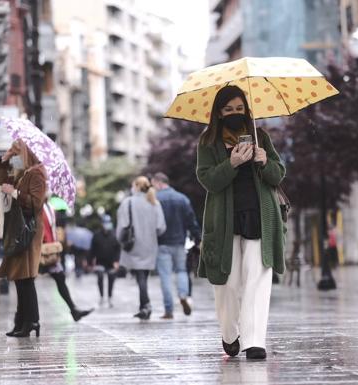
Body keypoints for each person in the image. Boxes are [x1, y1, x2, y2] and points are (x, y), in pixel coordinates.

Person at [196, 85, 286, 360]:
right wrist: (232, 163)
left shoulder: (262, 138)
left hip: (260, 217)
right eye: (228, 110)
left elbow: (278, 174)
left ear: (247, 110)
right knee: (227, 283)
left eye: (239, 108)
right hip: (225, 222)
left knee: (258, 279)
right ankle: (229, 334)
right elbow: (207, 179)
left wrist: (263, 159)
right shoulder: (208, 142)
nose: (235, 114)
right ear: (218, 113)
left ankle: (254, 341)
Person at [0, 139, 46, 338]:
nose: (15, 158)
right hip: (18, 230)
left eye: (17, 154)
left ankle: (31, 321)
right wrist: (5, 159)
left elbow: (36, 204)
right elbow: (1, 179)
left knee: (25, 278)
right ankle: (23, 322)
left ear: (26, 154)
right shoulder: (23, 172)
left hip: (28, 231)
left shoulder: (37, 173)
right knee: (20, 278)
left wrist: (15, 193)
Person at [151, 172, 201, 319]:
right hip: (179, 242)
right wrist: (197, 238)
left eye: (153, 185)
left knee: (165, 276)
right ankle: (183, 295)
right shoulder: (182, 199)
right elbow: (191, 222)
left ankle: (169, 310)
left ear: (159, 183)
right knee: (181, 271)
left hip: (161, 243)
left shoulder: (155, 199)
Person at [116, 176, 166, 320]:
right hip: (150, 245)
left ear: (136, 186)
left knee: (140, 276)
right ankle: (144, 306)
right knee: (142, 275)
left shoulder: (128, 202)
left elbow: (122, 226)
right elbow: (161, 227)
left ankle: (146, 306)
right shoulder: (154, 203)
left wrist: (120, 240)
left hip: (134, 245)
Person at [41, 199, 94, 321]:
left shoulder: (49, 208)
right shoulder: (38, 206)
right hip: (41, 249)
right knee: (26, 283)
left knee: (60, 277)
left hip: (51, 250)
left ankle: (74, 309)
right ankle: (23, 319)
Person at [91, 214, 121, 307]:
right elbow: (92, 249)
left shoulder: (114, 235)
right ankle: (101, 296)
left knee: (111, 278)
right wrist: (91, 261)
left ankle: (110, 297)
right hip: (100, 261)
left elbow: (118, 249)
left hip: (111, 262)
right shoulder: (96, 235)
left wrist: (117, 261)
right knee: (100, 277)